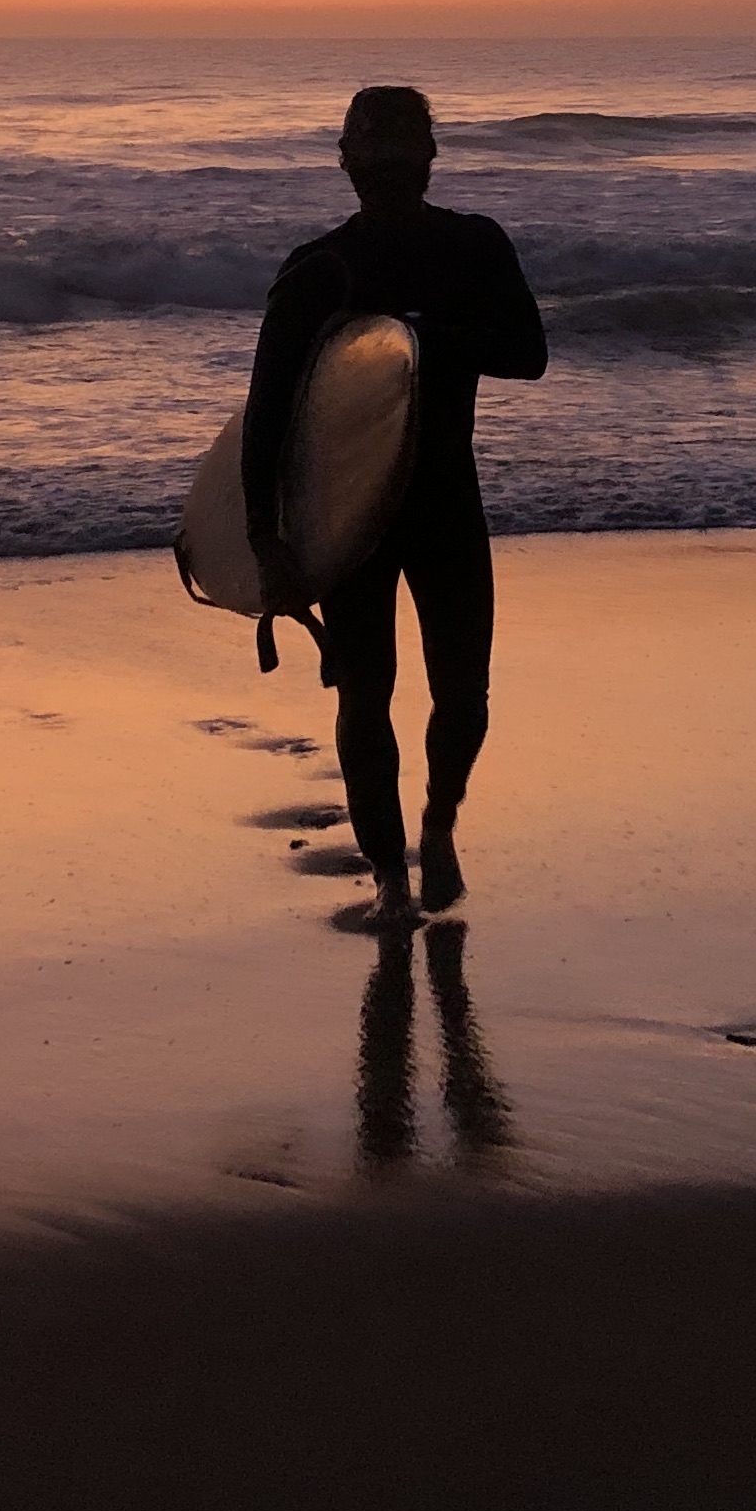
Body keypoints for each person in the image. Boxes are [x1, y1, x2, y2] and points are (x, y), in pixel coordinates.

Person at [244, 84, 547, 928]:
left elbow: (530, 354)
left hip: (447, 501)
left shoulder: (474, 248)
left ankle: (439, 823)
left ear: (427, 161)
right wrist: (265, 537)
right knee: (365, 694)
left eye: (396, 158)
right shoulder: (317, 270)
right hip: (350, 518)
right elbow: (265, 410)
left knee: (464, 696)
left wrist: (417, 337)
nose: (382, 172)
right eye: (371, 158)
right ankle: (388, 874)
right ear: (346, 163)